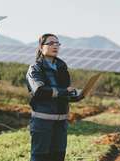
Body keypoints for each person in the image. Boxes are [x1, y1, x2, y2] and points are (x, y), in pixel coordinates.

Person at [26, 33, 84, 161]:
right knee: (40, 157)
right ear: (41, 47)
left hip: (61, 124)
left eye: (57, 43)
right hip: (42, 123)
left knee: (58, 157)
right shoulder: (35, 68)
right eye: (51, 43)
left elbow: (64, 93)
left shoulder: (62, 68)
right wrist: (64, 91)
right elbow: (39, 91)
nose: (55, 46)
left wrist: (76, 95)